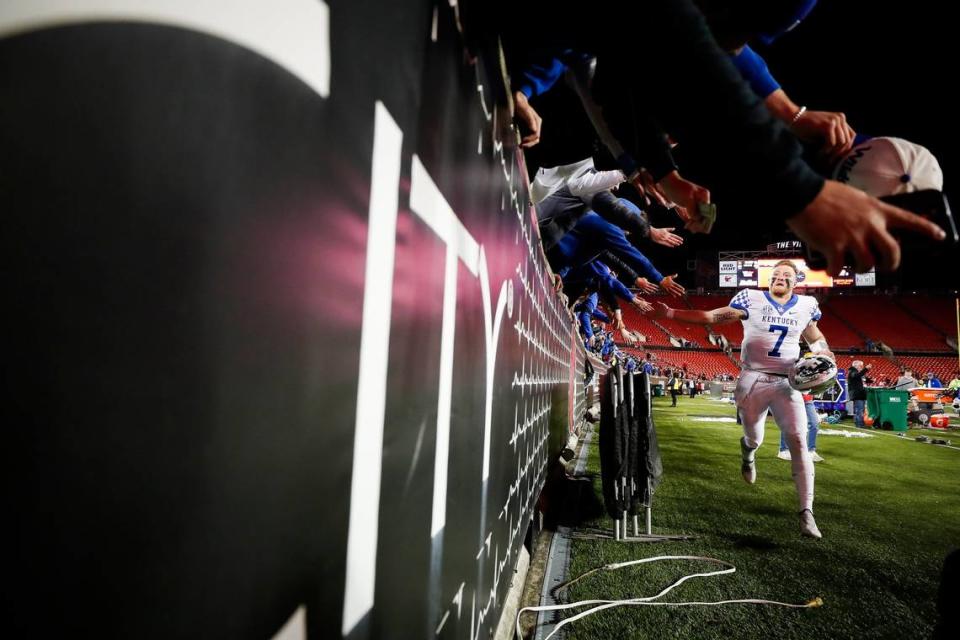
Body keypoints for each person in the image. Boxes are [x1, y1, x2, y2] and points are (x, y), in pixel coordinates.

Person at [653, 259, 832, 538]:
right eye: (775, 274)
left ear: (795, 281)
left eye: (786, 274)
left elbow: (815, 338)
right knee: (754, 437)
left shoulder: (806, 306)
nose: (780, 278)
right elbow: (713, 317)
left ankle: (806, 512)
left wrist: (825, 352)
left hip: (787, 381)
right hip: (753, 378)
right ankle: (748, 453)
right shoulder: (751, 298)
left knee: (798, 439)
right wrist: (672, 313)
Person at [778, 393, 823, 462]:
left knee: (814, 423)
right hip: (792, 399)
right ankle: (783, 450)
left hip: (807, 400)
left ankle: (811, 451)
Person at [847, 360, 870, 428]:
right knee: (859, 410)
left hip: (859, 394)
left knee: (860, 409)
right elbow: (857, 376)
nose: (861, 367)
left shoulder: (854, 372)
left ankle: (859, 423)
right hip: (857, 394)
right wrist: (866, 369)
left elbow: (861, 378)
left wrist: (870, 380)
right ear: (856, 366)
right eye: (861, 366)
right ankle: (859, 424)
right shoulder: (852, 372)